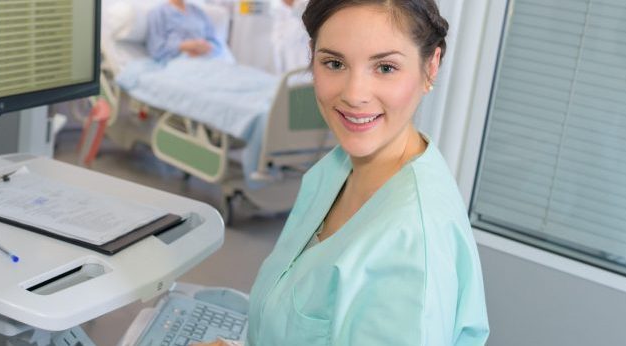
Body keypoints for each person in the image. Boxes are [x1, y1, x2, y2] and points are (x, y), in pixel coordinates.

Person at [197, 0, 490, 345]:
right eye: (334, 63)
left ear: (431, 66)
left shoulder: (410, 247)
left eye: (385, 68)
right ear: (312, 56)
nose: (354, 95)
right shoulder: (334, 169)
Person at [146, 0, 227, 62]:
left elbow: (217, 43)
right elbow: (156, 50)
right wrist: (184, 46)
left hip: (206, 61)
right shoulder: (158, 13)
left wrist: (205, 48)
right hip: (176, 64)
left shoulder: (198, 12)